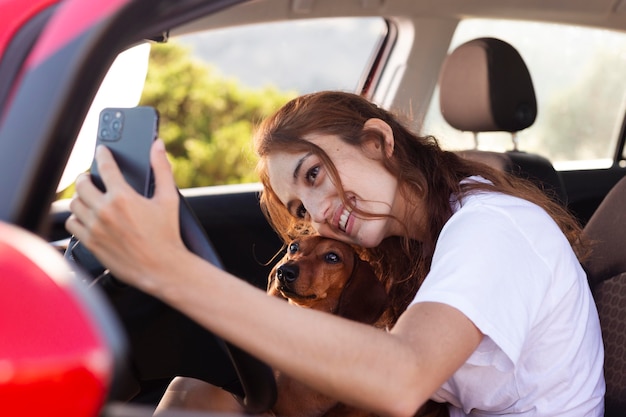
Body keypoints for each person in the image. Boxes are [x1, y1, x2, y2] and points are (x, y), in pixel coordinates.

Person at [66, 91, 605, 416]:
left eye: (315, 174)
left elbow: (402, 376)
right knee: (191, 397)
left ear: (378, 141)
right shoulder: (418, 248)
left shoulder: (492, 228)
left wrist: (171, 270)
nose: (320, 212)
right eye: (300, 203)